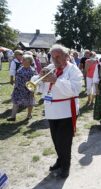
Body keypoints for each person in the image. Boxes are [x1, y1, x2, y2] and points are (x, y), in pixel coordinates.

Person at [32, 44, 82, 178]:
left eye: (58, 56)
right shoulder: (50, 68)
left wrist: (56, 80)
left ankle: (66, 167)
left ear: (66, 56)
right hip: (51, 110)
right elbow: (39, 87)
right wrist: (39, 77)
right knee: (56, 140)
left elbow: (74, 90)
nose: (55, 59)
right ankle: (60, 160)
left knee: (64, 141)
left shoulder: (74, 70)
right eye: (53, 57)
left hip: (66, 111)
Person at [7, 54, 36, 121]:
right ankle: (13, 116)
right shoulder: (21, 67)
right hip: (18, 89)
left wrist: (32, 91)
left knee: (29, 103)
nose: (22, 61)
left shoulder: (32, 71)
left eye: (24, 60)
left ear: (29, 62)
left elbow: (34, 82)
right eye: (22, 60)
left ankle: (29, 115)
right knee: (15, 102)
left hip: (27, 90)